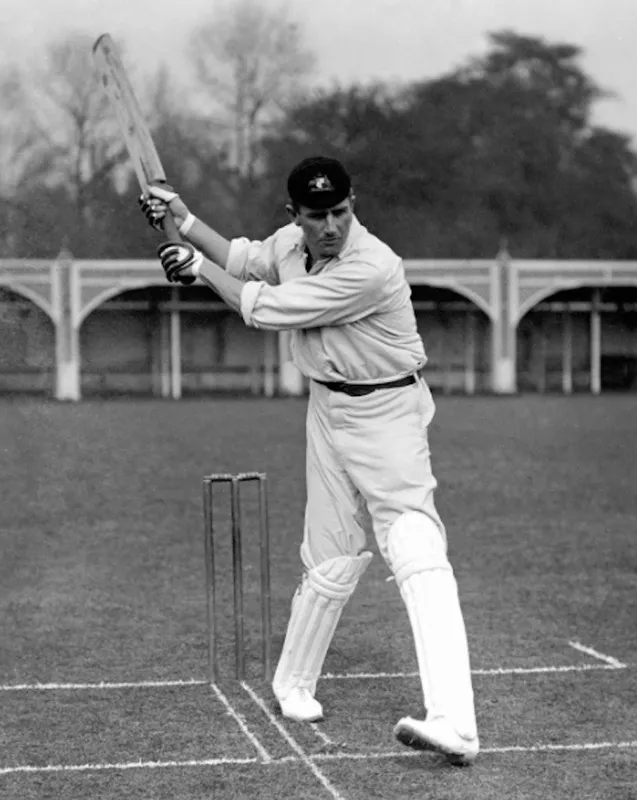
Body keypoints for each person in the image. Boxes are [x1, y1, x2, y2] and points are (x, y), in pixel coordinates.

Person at [138, 156, 479, 766]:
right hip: (327, 409)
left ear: (355, 205)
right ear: (293, 215)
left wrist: (197, 271)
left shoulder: (372, 267)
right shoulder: (292, 244)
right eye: (317, 216)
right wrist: (185, 223)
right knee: (329, 558)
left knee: (415, 548)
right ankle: (293, 684)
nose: (330, 227)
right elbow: (244, 259)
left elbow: (264, 307)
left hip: (389, 413)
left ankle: (456, 723)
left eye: (341, 213)